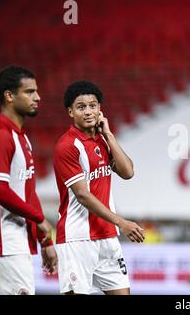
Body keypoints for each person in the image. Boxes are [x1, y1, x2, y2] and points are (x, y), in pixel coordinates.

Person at [53, 80, 145, 295]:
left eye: (93, 106)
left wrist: (109, 136)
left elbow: (128, 172)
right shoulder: (67, 146)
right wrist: (122, 222)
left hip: (107, 237)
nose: (88, 112)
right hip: (77, 239)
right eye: (81, 107)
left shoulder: (103, 141)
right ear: (70, 112)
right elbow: (83, 195)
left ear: (100, 109)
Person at [0, 65, 57, 295]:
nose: (38, 97)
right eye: (29, 92)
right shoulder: (2, 135)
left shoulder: (21, 137)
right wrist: (39, 218)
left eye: (37, 91)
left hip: (17, 240)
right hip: (6, 243)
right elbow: (0, 190)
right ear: (9, 96)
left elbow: (28, 193)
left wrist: (45, 241)